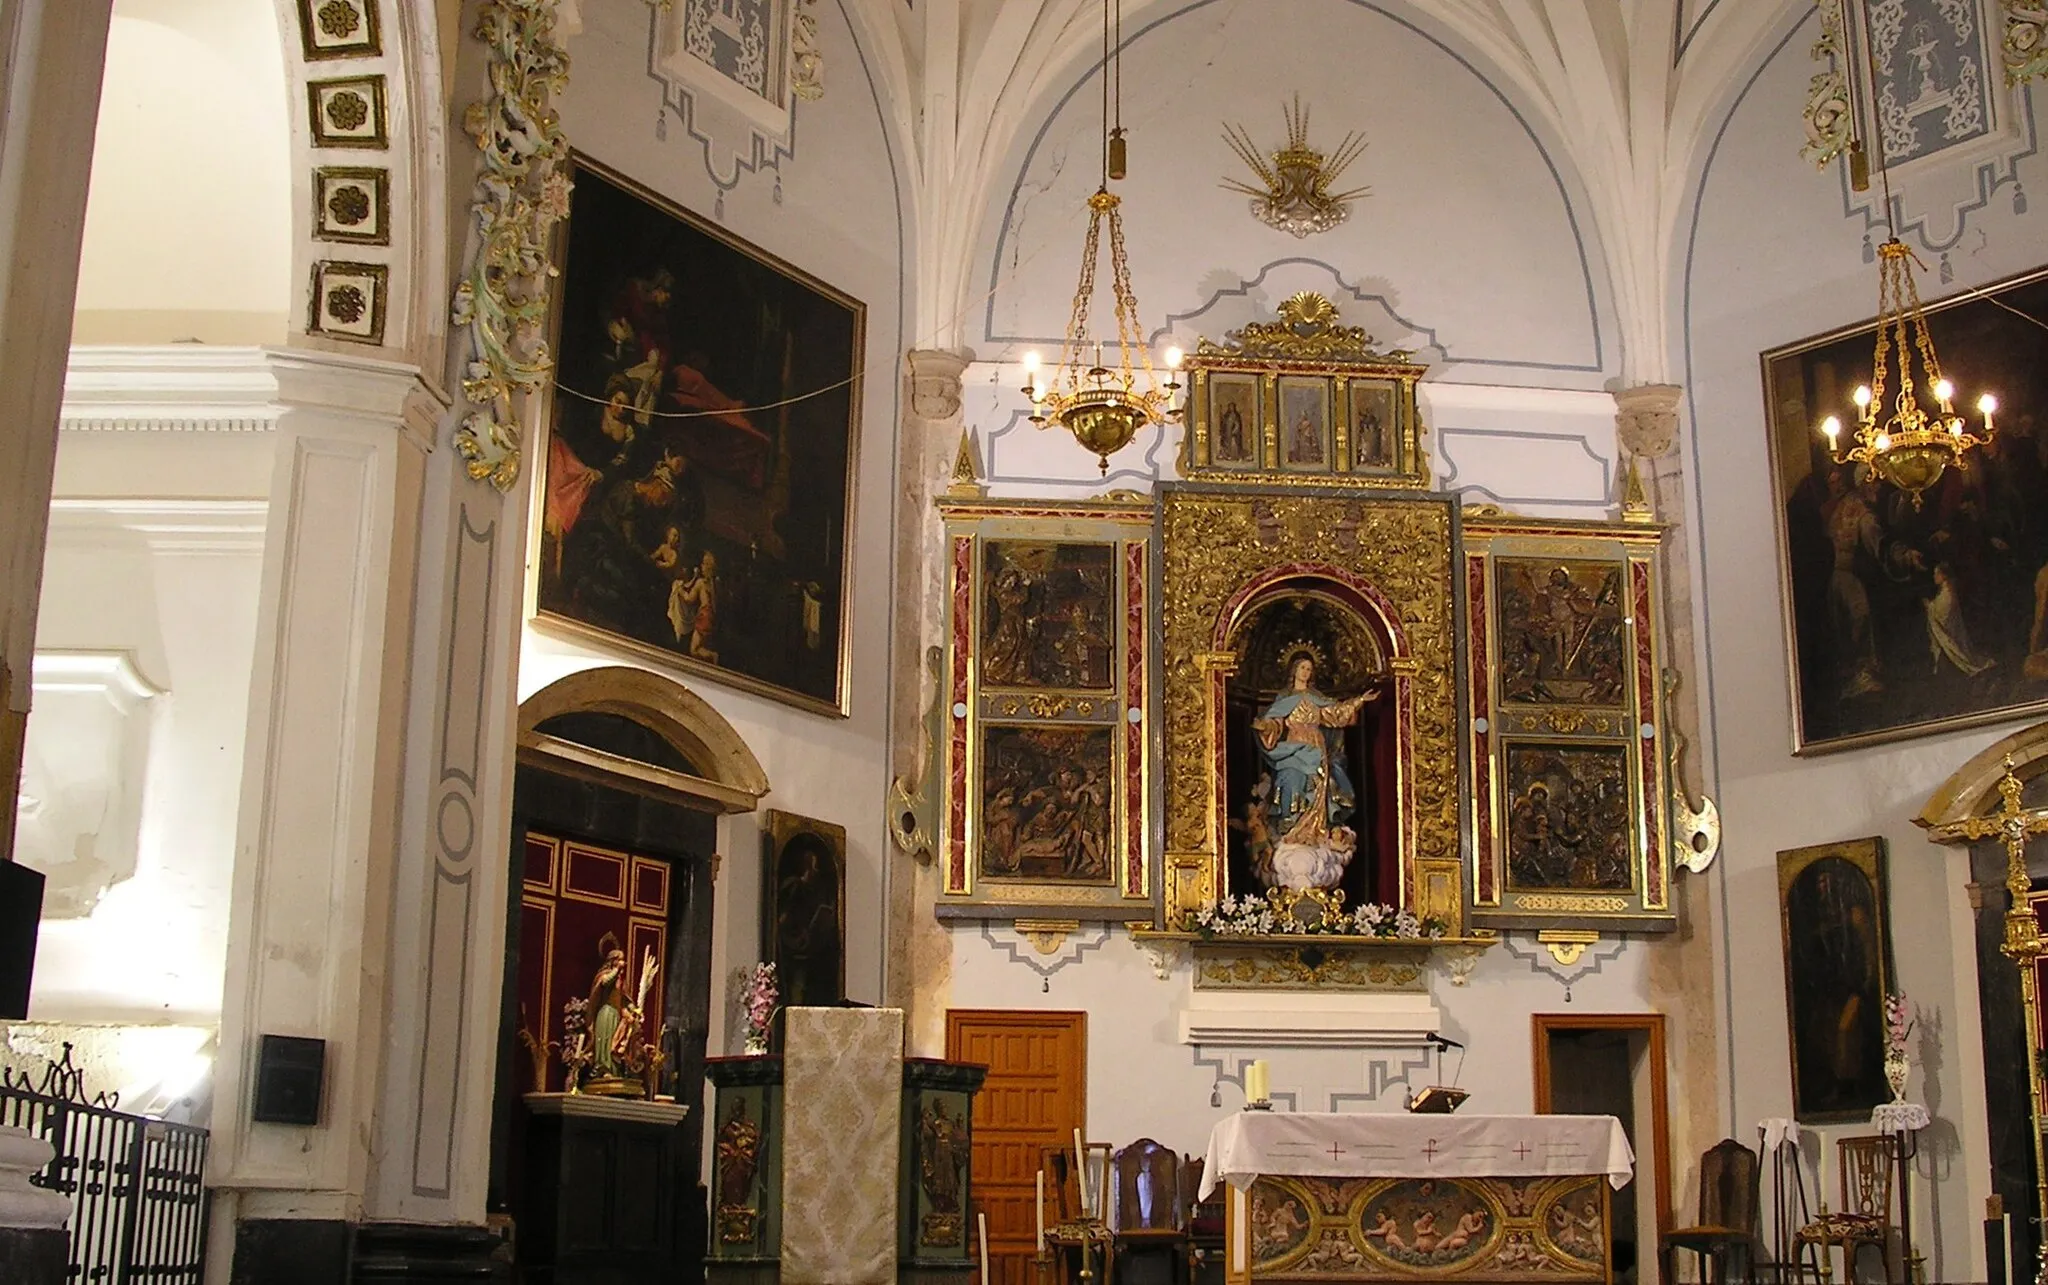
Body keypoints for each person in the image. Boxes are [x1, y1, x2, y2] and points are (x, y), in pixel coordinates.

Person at [1251, 653, 1374, 871]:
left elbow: (1336, 714)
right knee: (1289, 780)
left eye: (1309, 669)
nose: (1306, 673)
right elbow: (1274, 723)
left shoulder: (1316, 698)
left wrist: (1359, 700)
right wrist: (1265, 726)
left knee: (1317, 786)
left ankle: (1313, 832)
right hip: (1293, 748)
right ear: (1294, 671)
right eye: (1302, 668)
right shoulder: (1285, 697)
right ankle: (1290, 826)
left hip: (1316, 749)